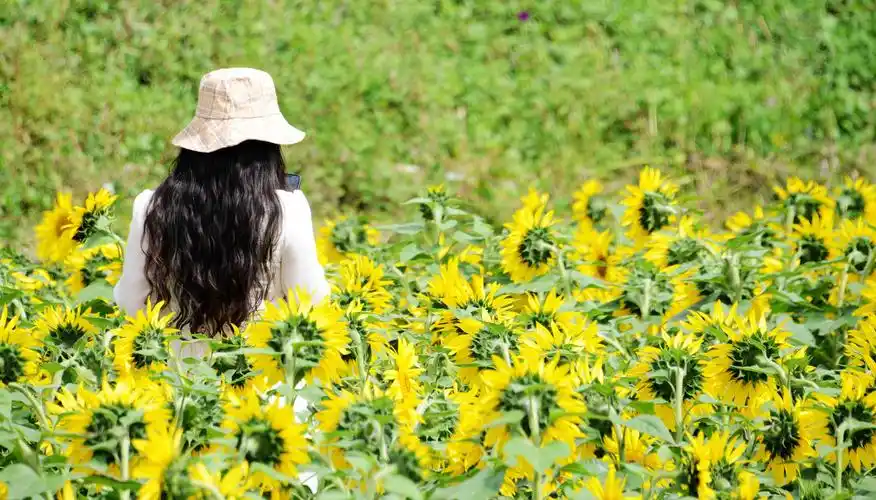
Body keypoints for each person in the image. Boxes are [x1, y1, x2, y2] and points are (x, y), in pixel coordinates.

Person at [113, 67, 330, 358]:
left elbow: (130, 302)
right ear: (269, 147)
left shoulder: (152, 206)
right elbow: (311, 300)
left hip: (178, 378)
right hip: (260, 373)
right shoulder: (288, 209)